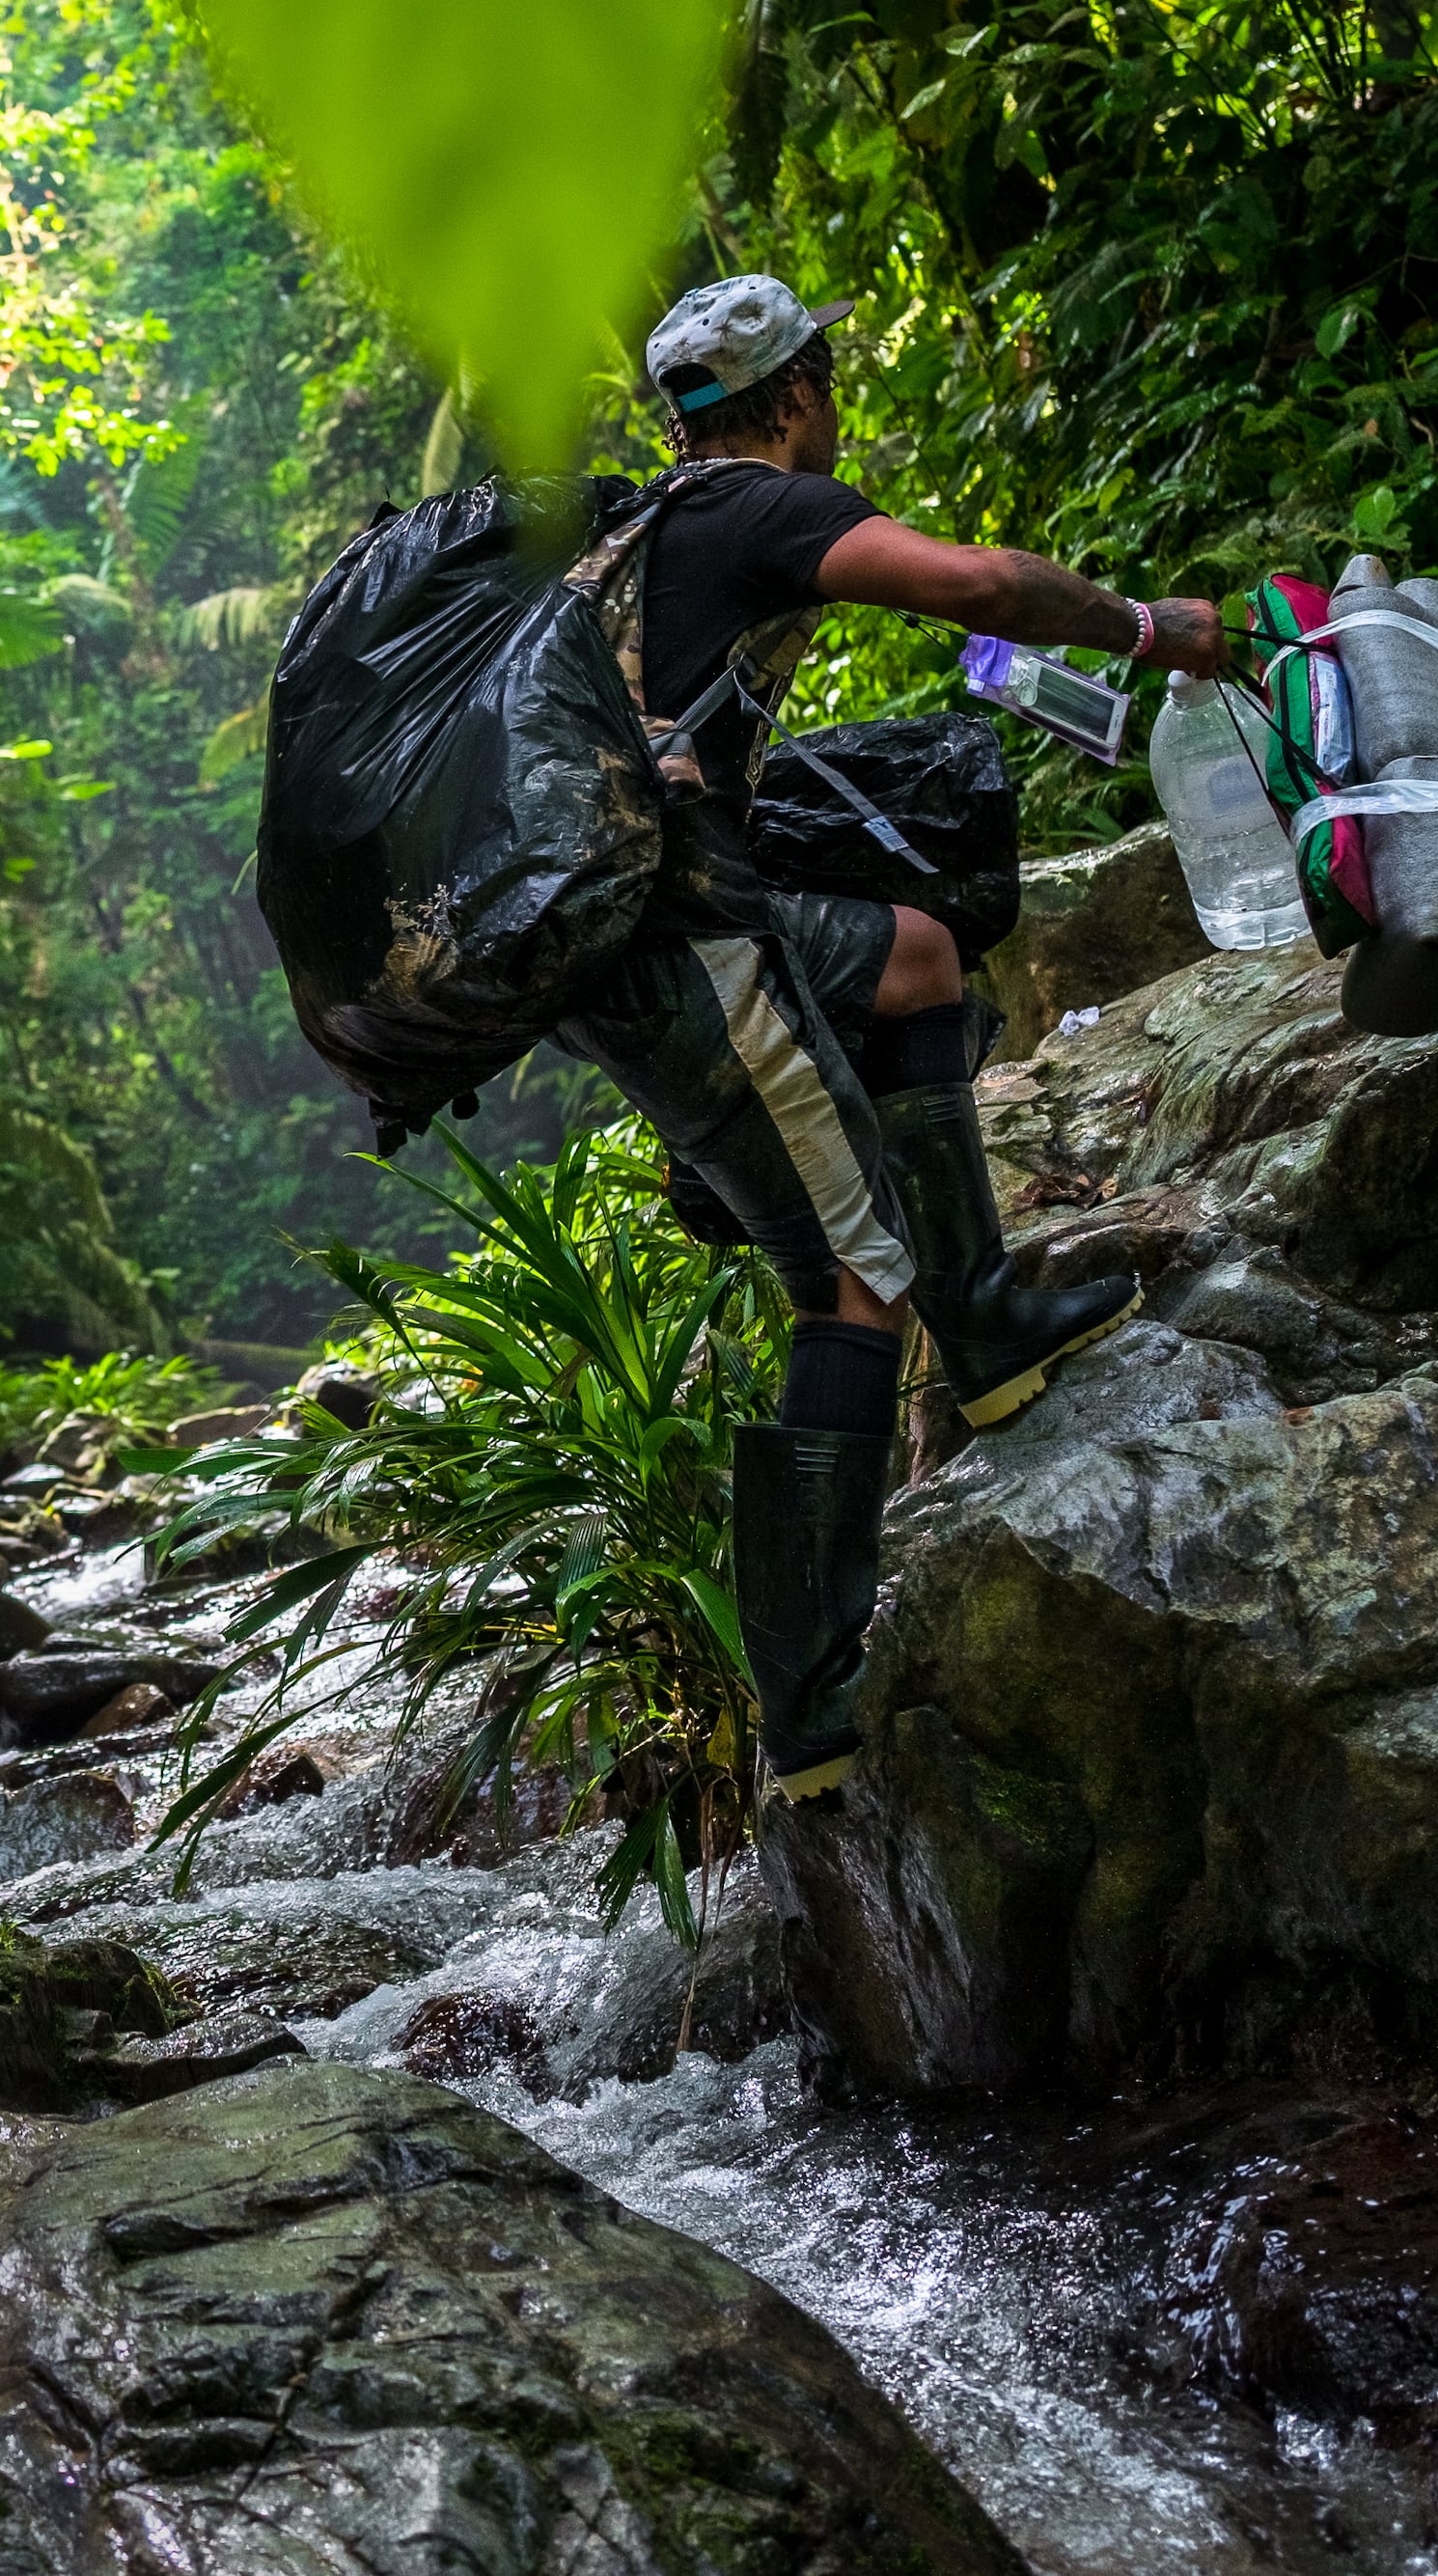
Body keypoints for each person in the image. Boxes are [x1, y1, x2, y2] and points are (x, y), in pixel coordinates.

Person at [558, 276, 1223, 1805]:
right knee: (848, 1285)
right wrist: (1147, 628)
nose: (835, 403)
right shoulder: (751, 507)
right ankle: (808, 1699)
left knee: (916, 959)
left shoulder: (639, 533)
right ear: (793, 390)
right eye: (828, 378)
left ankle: (982, 1315)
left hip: (646, 939)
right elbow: (976, 587)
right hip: (685, 952)